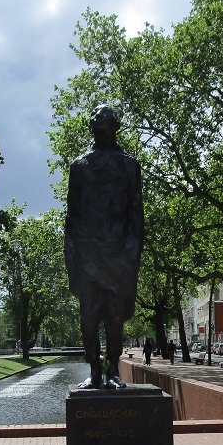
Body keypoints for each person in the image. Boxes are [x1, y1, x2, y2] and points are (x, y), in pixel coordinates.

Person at [64, 105, 144, 389]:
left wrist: (133, 254)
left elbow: (137, 215)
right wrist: (71, 258)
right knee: (88, 316)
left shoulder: (128, 165)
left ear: (114, 127)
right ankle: (94, 369)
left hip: (118, 254)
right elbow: (71, 216)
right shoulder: (80, 166)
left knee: (114, 316)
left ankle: (112, 369)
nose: (98, 124)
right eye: (95, 120)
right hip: (87, 254)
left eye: (104, 121)